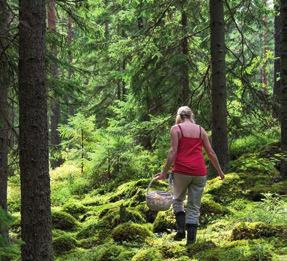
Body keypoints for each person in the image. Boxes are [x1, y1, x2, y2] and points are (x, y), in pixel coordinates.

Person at [155, 106, 225, 246]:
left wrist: (164, 172)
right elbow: (211, 153)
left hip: (181, 171)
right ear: (191, 115)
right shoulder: (201, 130)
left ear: (179, 116)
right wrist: (220, 172)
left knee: (177, 200)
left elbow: (173, 152)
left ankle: (181, 230)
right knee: (194, 207)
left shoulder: (176, 129)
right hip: (199, 172)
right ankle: (191, 243)